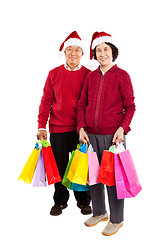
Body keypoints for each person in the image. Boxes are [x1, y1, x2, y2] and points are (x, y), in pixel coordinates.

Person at [77, 31, 136, 236]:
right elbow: (82, 104)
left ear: (113, 52)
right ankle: (99, 212)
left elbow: (130, 107)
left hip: (114, 137)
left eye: (106, 49)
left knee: (113, 179)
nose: (102, 53)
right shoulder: (91, 77)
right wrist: (81, 128)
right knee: (93, 177)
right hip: (90, 135)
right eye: (98, 50)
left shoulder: (122, 76)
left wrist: (122, 129)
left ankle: (116, 219)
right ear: (95, 54)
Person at [37, 31, 92, 216]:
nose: (73, 53)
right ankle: (60, 201)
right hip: (58, 128)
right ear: (64, 52)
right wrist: (41, 125)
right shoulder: (53, 74)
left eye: (77, 50)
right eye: (69, 49)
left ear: (82, 54)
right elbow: (46, 101)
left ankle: (84, 201)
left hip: (81, 130)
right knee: (60, 167)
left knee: (80, 165)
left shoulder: (88, 75)